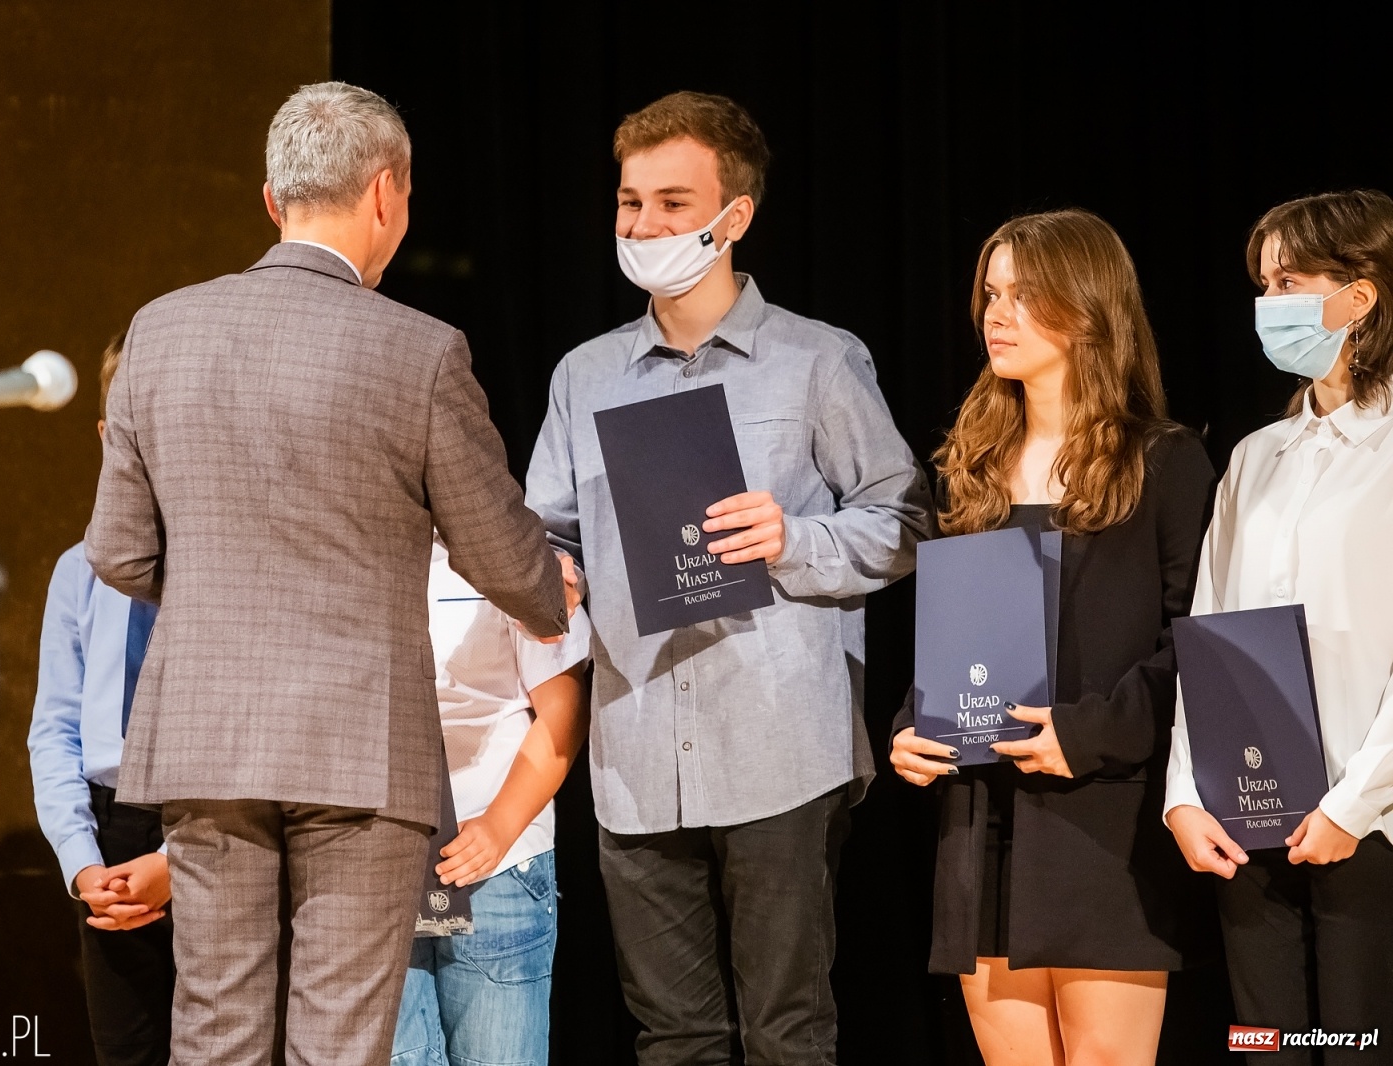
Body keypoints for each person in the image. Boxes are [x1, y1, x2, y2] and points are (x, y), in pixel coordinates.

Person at [85, 81, 579, 1066]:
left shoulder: (159, 332)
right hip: (362, 746)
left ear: (273, 199)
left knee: (214, 1029)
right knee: (341, 1039)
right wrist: (544, 586)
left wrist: (228, 594)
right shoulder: (419, 351)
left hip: (209, 736)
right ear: (387, 193)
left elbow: (120, 552)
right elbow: (498, 554)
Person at [526, 91, 932, 1065]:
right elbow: (544, 531)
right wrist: (553, 571)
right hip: (634, 749)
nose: (643, 226)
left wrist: (792, 538)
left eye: (673, 204)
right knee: (672, 1038)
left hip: (780, 742)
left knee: (787, 1032)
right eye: (630, 203)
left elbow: (905, 521)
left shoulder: (817, 360)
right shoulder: (584, 375)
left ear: (733, 217)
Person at [889, 209, 1217, 1066]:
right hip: (978, 823)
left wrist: (1089, 732)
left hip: (1103, 822)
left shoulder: (1163, 463)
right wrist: (914, 726)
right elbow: (955, 638)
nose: (996, 315)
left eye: (1024, 295)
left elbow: (1197, 644)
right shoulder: (969, 467)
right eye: (992, 294)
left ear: (1088, 308)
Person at [1165, 190, 1393, 1065]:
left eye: (1289, 282)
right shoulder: (1255, 458)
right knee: (1267, 1047)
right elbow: (1209, 633)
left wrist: (1354, 804)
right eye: (1263, 284)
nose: (1269, 304)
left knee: (1358, 1043)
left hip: (1369, 821)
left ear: (1358, 296)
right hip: (1249, 812)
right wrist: (1187, 792)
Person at [390, 532, 591, 1066]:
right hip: (375, 862)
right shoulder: (346, 547)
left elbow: (563, 708)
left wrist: (500, 825)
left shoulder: (507, 550)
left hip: (497, 866)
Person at [29, 333, 172, 1066]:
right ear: (105, 435)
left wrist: (176, 861)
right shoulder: (77, 572)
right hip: (109, 830)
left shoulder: (221, 568)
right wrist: (84, 866)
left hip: (210, 826)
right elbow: (54, 729)